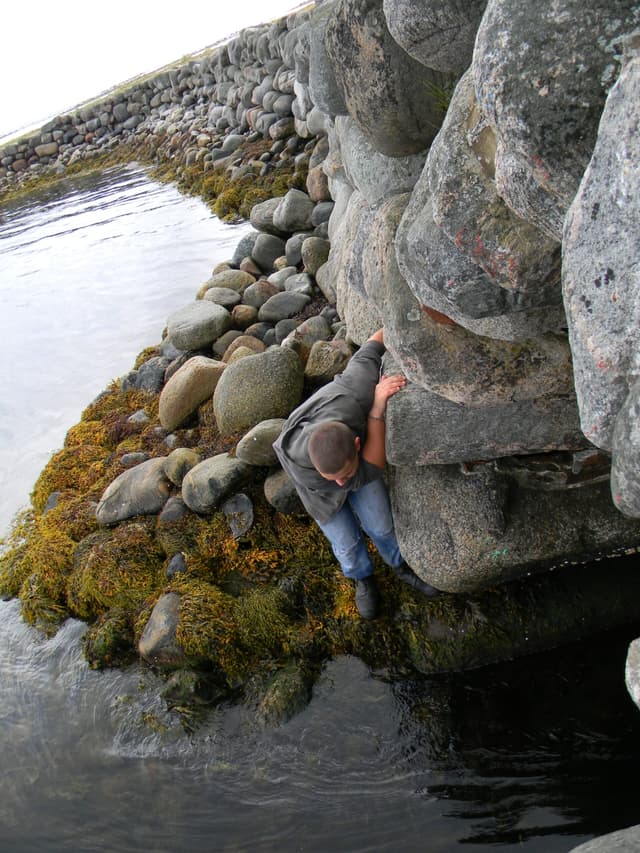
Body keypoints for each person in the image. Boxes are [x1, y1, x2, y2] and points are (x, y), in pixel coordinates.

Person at [273, 328, 441, 619]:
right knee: (346, 543)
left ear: (358, 443)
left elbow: (373, 346)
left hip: (352, 454)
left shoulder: (356, 389)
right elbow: (371, 468)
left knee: (382, 525)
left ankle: (399, 565)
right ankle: (362, 577)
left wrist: (407, 318)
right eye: (334, 477)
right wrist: (377, 412)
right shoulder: (301, 463)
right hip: (318, 494)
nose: (341, 483)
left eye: (344, 476)